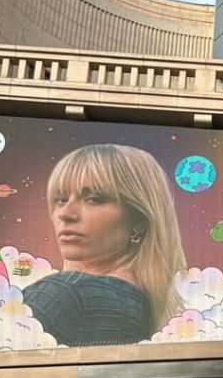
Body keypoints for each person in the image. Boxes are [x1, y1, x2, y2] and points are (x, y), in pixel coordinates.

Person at [23, 144, 186, 347]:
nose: (65, 213)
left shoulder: (68, 294)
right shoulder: (149, 312)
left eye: (93, 199)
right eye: (61, 199)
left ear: (140, 220)